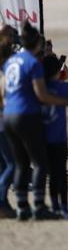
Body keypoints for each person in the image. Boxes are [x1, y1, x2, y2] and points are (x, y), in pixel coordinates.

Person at [3, 23, 68, 221]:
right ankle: (38, 206)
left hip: (8, 115)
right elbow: (42, 95)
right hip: (25, 115)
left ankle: (22, 207)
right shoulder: (33, 63)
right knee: (40, 163)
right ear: (37, 44)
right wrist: (66, 101)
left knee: (20, 163)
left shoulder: (12, 61)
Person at [42, 55, 68, 220]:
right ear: (58, 72)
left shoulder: (39, 87)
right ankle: (64, 207)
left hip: (43, 139)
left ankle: (54, 206)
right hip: (59, 138)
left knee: (51, 175)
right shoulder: (64, 88)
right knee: (62, 174)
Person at [0, 33, 16, 218]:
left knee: (5, 164)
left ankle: (3, 203)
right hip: (3, 123)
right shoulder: (5, 72)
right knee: (13, 164)